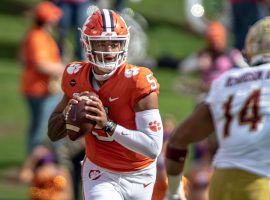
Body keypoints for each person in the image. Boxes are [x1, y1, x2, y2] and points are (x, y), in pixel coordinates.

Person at [48, 7, 163, 200]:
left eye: (114, 44)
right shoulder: (75, 76)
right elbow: (53, 132)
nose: (109, 51)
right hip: (101, 172)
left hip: (140, 173)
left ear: (124, 45)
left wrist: (107, 125)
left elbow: (152, 147)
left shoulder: (138, 81)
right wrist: (69, 113)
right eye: (101, 43)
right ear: (87, 45)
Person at [165, 16, 270, 200]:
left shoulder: (225, 81)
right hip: (261, 181)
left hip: (221, 183)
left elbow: (178, 140)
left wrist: (174, 191)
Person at [20, 1, 64, 155]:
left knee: (41, 127)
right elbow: (41, 65)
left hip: (41, 89)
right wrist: (65, 69)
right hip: (39, 90)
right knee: (41, 130)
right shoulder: (37, 37)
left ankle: (37, 163)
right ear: (48, 19)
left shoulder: (41, 35)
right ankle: (33, 166)